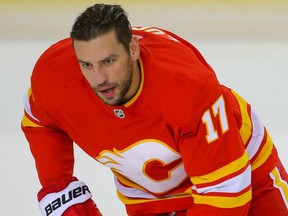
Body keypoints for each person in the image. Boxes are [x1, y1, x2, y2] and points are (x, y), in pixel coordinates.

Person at [21, 3, 288, 216]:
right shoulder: (56, 76)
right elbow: (39, 119)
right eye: (87, 65)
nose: (98, 78)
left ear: (134, 48)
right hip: (148, 196)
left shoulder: (185, 87)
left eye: (109, 61)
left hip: (243, 173)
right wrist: (59, 188)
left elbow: (226, 194)